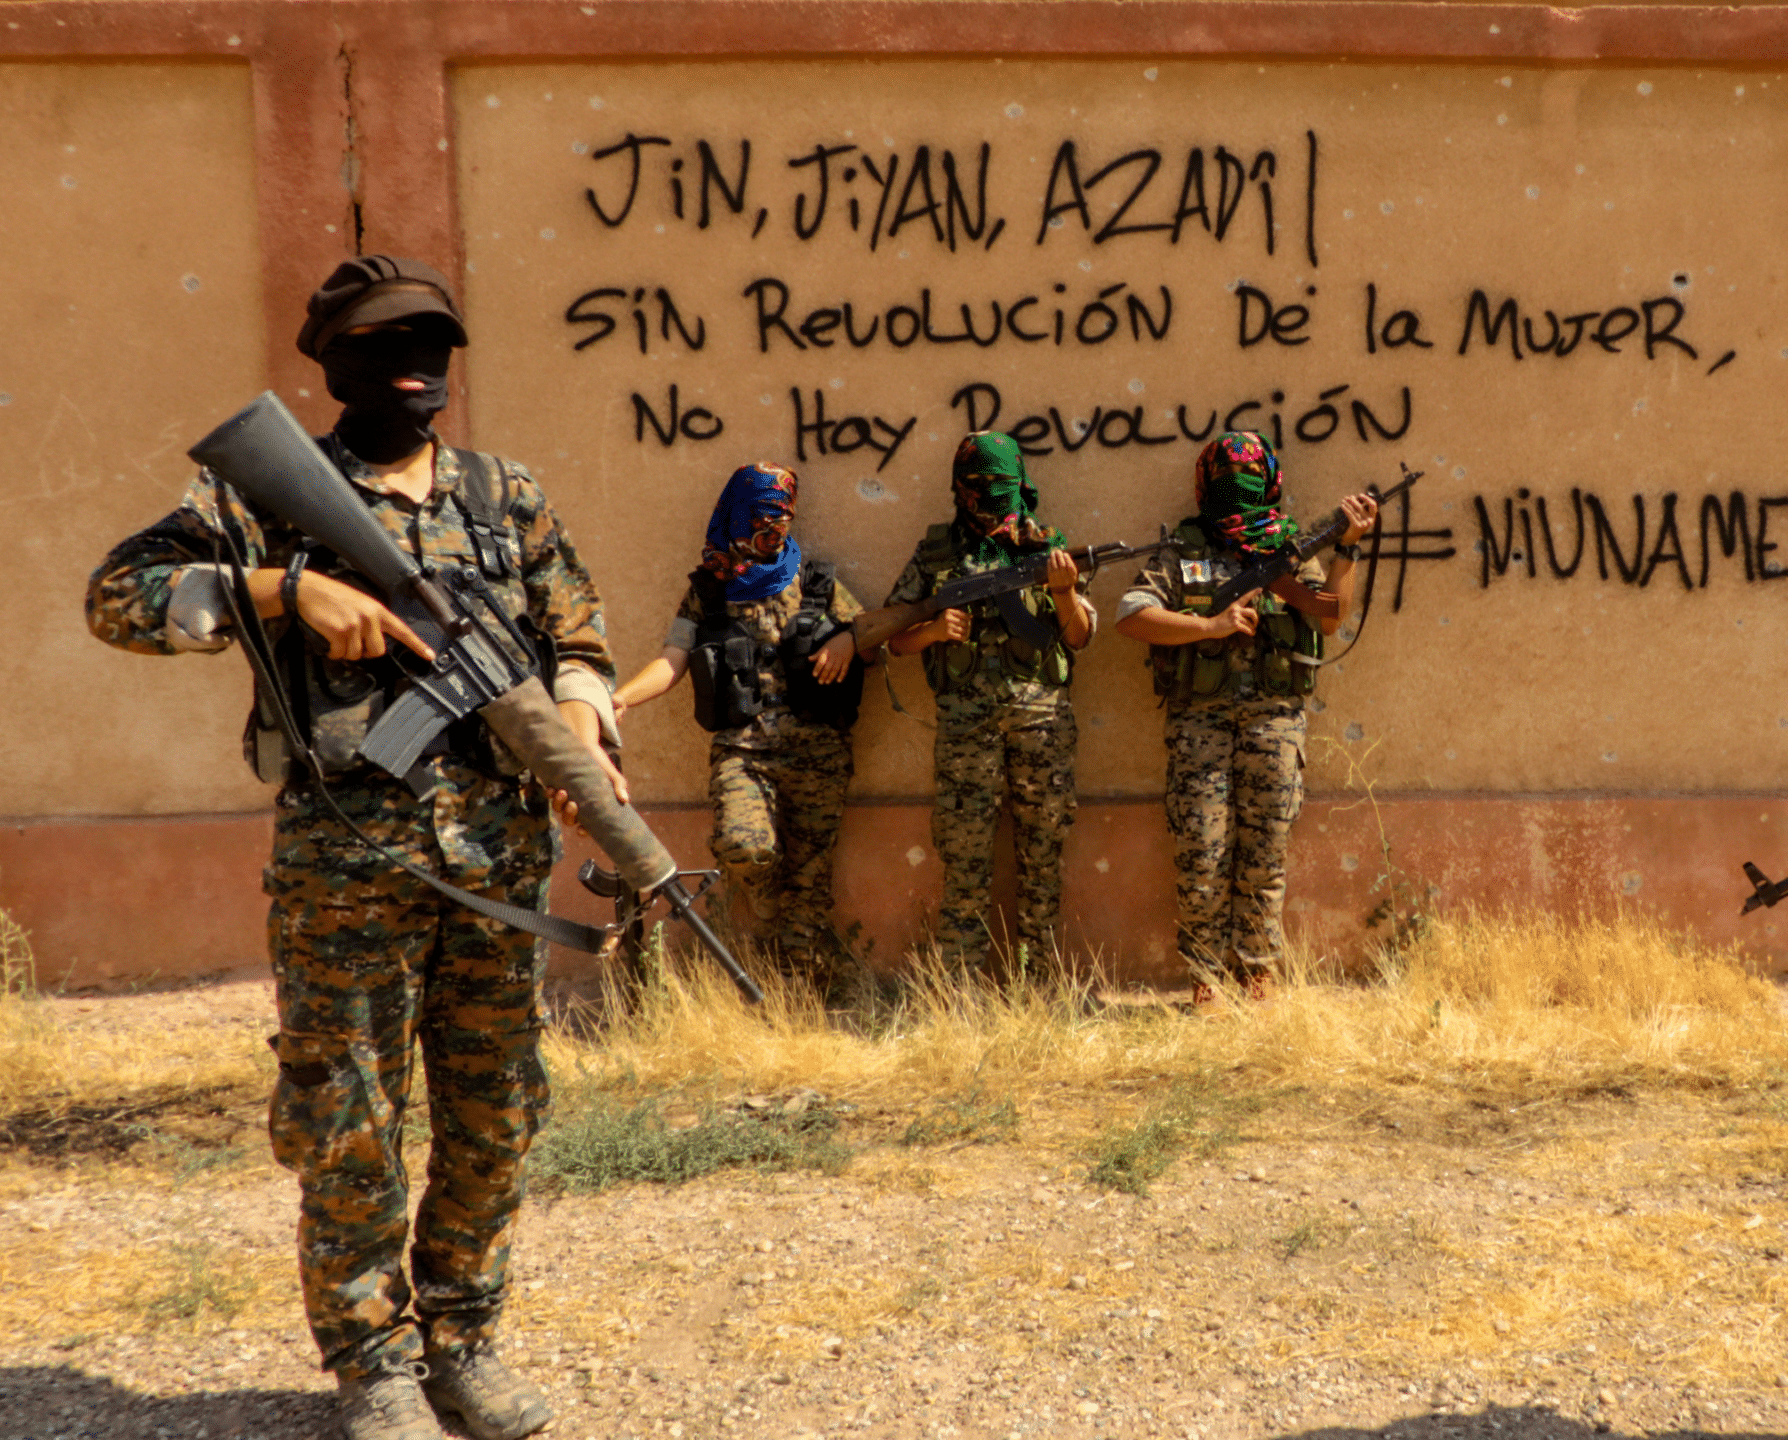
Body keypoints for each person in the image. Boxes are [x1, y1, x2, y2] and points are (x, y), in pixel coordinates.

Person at [85, 257, 611, 1440]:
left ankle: (463, 1344)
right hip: (344, 875)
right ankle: (374, 1363)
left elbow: (579, 635)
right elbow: (118, 597)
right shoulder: (272, 496)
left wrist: (579, 731)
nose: (413, 369)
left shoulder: (506, 495)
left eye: (431, 343)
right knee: (350, 1116)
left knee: (496, 1108)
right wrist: (281, 589)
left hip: (496, 866)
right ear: (331, 364)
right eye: (382, 347)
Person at [1114, 431, 1377, 1006]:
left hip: (1273, 722)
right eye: (1229, 483)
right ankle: (1205, 976)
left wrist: (1348, 547)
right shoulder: (1184, 551)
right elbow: (1132, 615)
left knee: (1264, 852)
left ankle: (1258, 969)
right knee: (1202, 852)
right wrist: (1208, 626)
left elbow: (1329, 617)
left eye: (1250, 480)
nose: (1239, 494)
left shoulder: (1287, 550)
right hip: (1198, 724)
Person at [610, 461, 866, 997]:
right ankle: (769, 913)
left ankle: (798, 1004)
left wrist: (850, 641)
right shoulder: (709, 591)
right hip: (743, 753)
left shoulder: (818, 582)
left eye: (783, 518)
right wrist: (621, 700)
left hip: (818, 753)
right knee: (744, 846)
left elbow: (872, 637)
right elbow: (673, 658)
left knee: (811, 882)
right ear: (739, 514)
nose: (774, 529)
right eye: (763, 518)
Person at [882, 432, 1094, 970]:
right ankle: (959, 988)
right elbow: (890, 636)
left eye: (1001, 487)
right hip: (965, 729)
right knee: (965, 858)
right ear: (958, 488)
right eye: (977, 487)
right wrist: (931, 630)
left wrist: (1066, 591)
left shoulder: (1047, 545)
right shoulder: (936, 551)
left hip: (1042, 724)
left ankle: (1041, 981)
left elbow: (1078, 637)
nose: (990, 498)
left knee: (1042, 855)